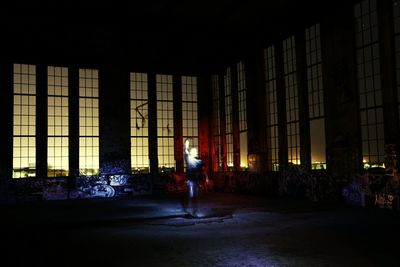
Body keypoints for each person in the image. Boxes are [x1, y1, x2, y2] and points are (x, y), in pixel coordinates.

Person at [183, 139, 203, 217]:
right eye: (195, 151)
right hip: (191, 181)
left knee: (194, 197)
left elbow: (201, 171)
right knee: (192, 196)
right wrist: (186, 144)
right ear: (192, 153)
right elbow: (185, 151)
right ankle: (192, 212)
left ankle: (193, 211)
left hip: (195, 181)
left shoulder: (198, 161)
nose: (197, 152)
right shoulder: (190, 159)